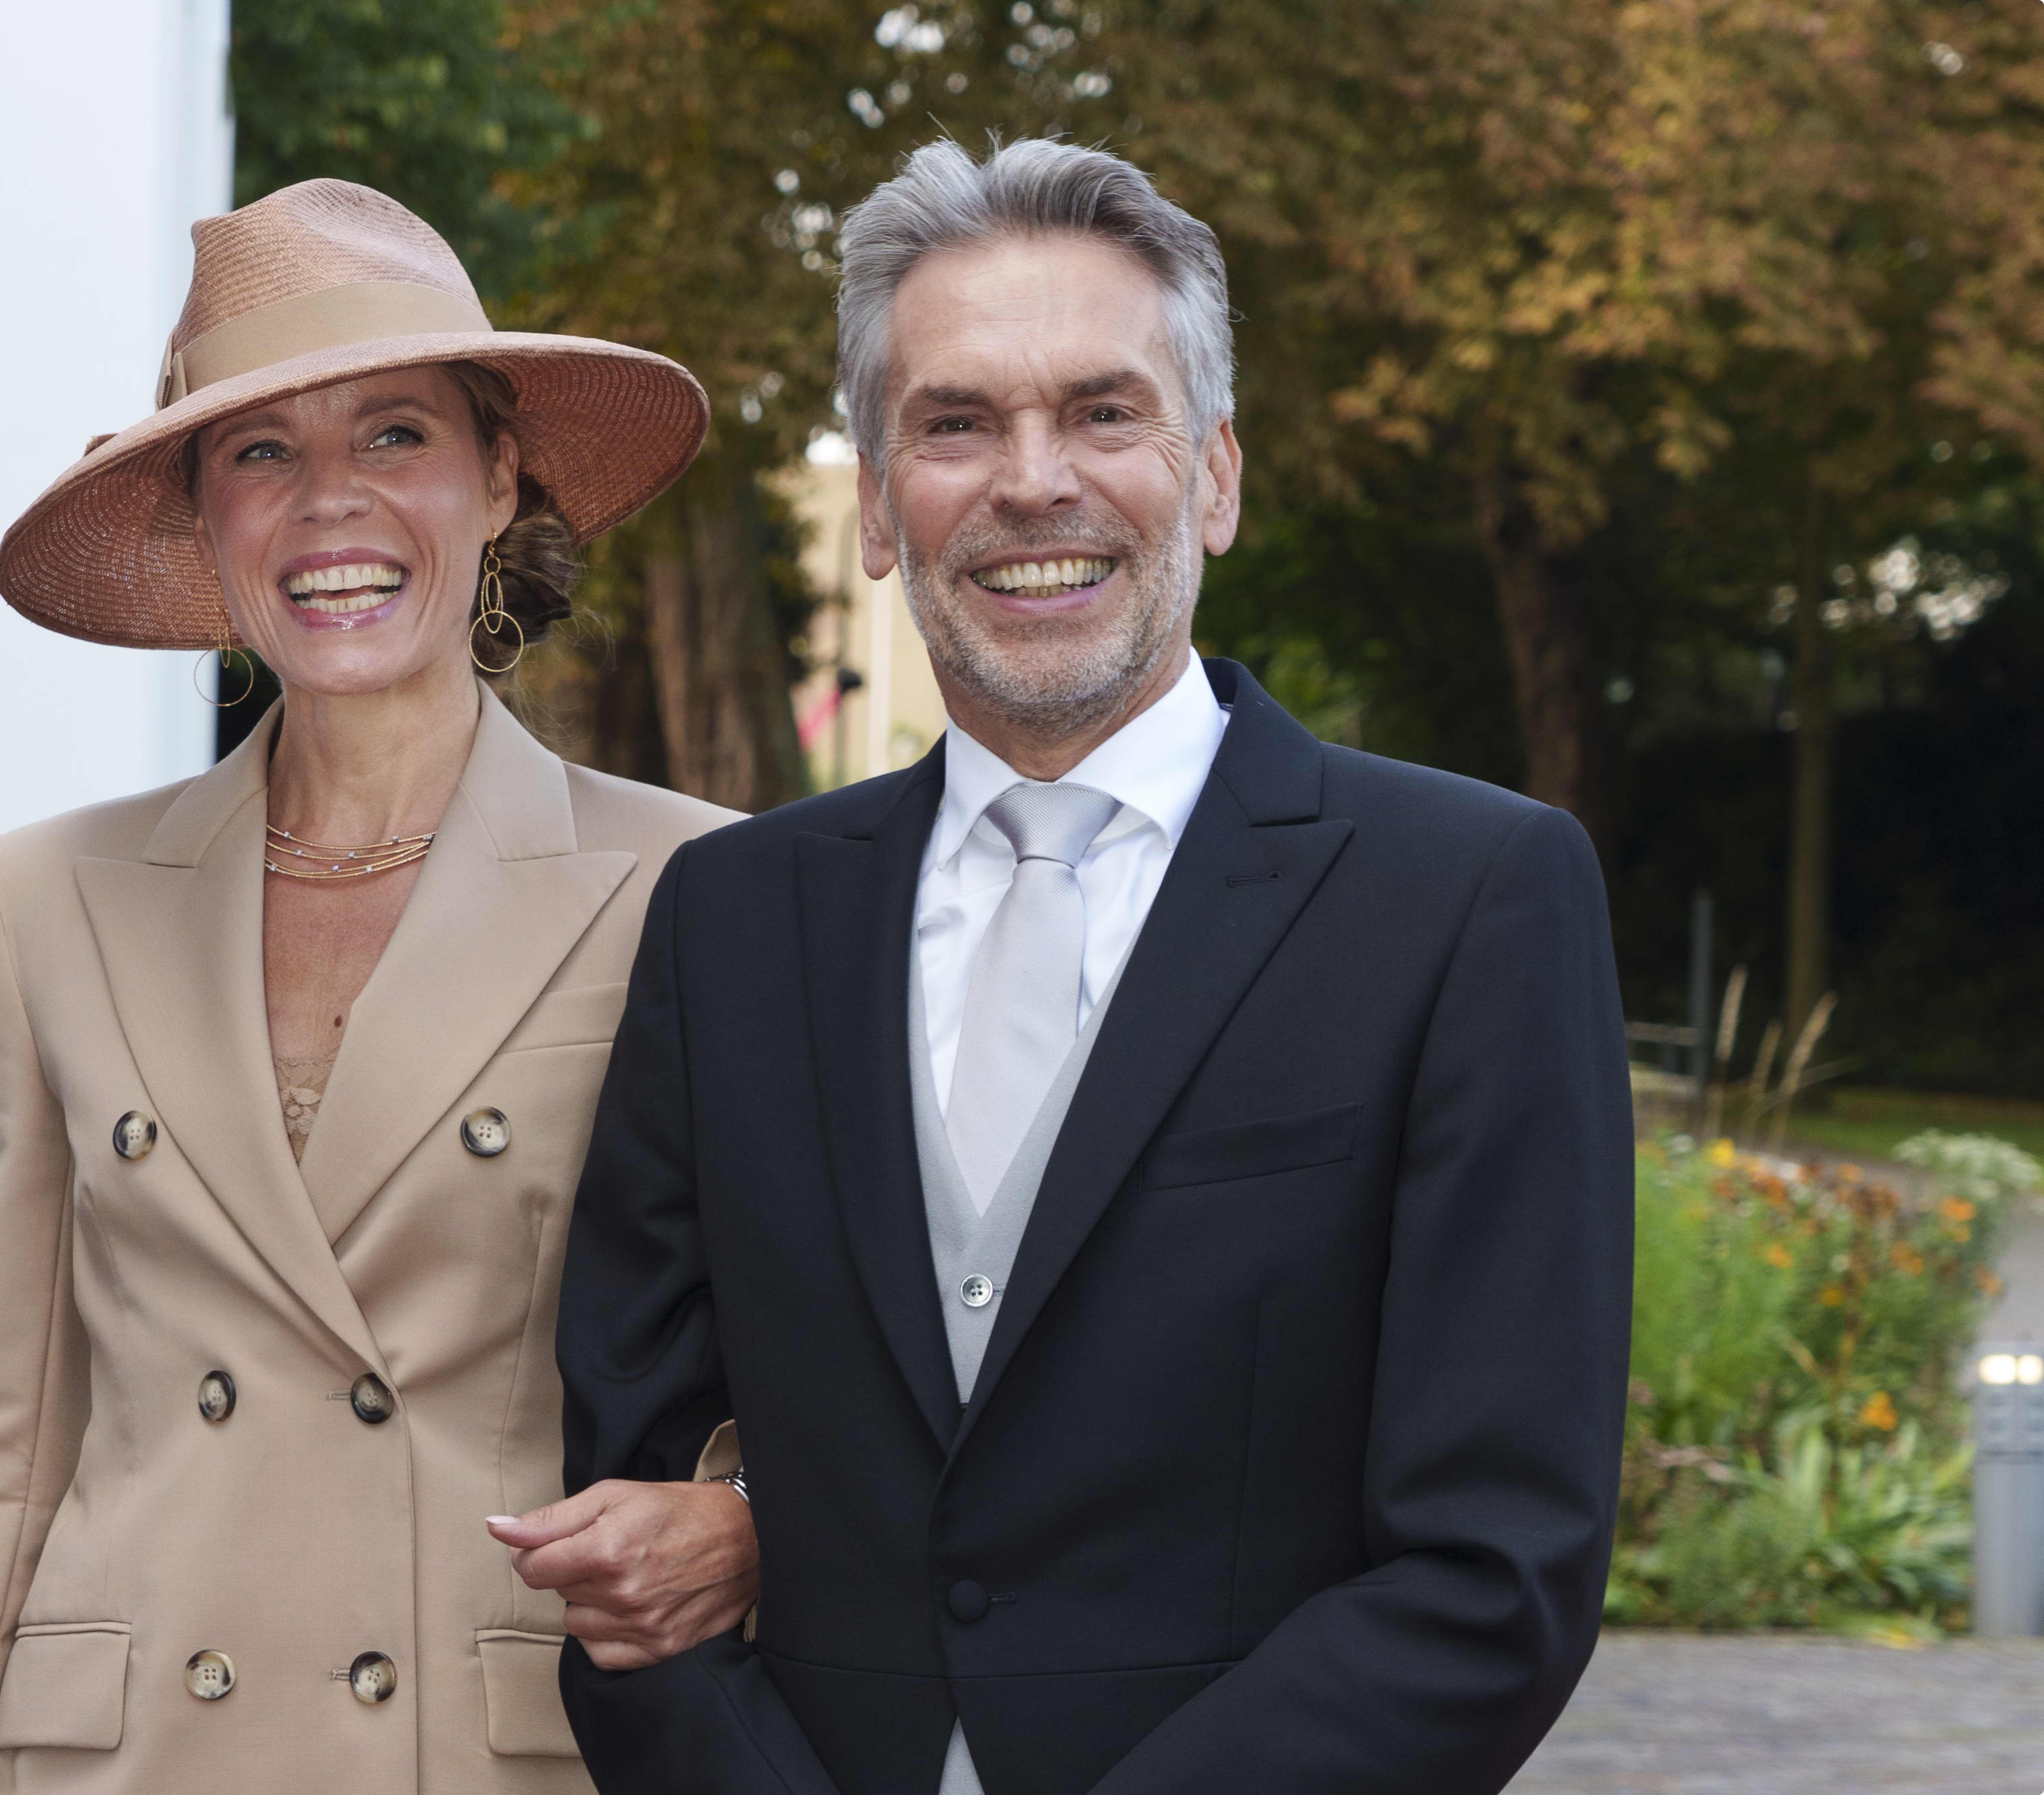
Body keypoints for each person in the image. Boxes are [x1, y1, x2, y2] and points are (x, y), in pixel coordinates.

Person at [553, 137, 1634, 1795]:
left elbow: (1497, 1571)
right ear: (873, 505)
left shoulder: (1470, 899)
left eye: (1101, 412)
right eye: (957, 422)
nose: (1031, 479)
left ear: (1213, 475)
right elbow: (635, 1529)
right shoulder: (732, 918)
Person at [0, 180, 758, 1795]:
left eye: (397, 436)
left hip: (488, 1748)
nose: (328, 506)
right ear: (204, 516)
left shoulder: (696, 887)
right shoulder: (45, 895)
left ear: (501, 478)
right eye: (262, 451)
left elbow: (814, 1361)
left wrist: (742, 1515)